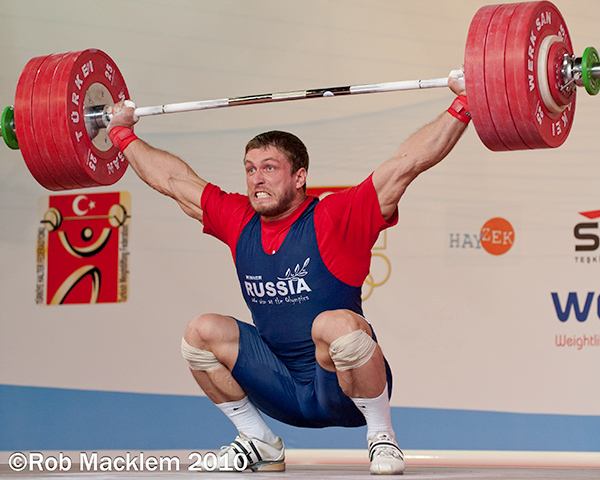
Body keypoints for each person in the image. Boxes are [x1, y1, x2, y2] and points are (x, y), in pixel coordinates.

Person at [106, 73, 469, 475]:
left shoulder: (333, 217)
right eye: (250, 169)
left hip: (344, 390)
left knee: (335, 325)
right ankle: (258, 441)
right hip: (280, 391)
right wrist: (120, 134)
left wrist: (465, 104)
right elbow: (173, 181)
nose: (257, 178)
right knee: (201, 331)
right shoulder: (238, 220)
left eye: (269, 168)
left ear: (299, 177)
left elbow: (407, 164)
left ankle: (382, 436)